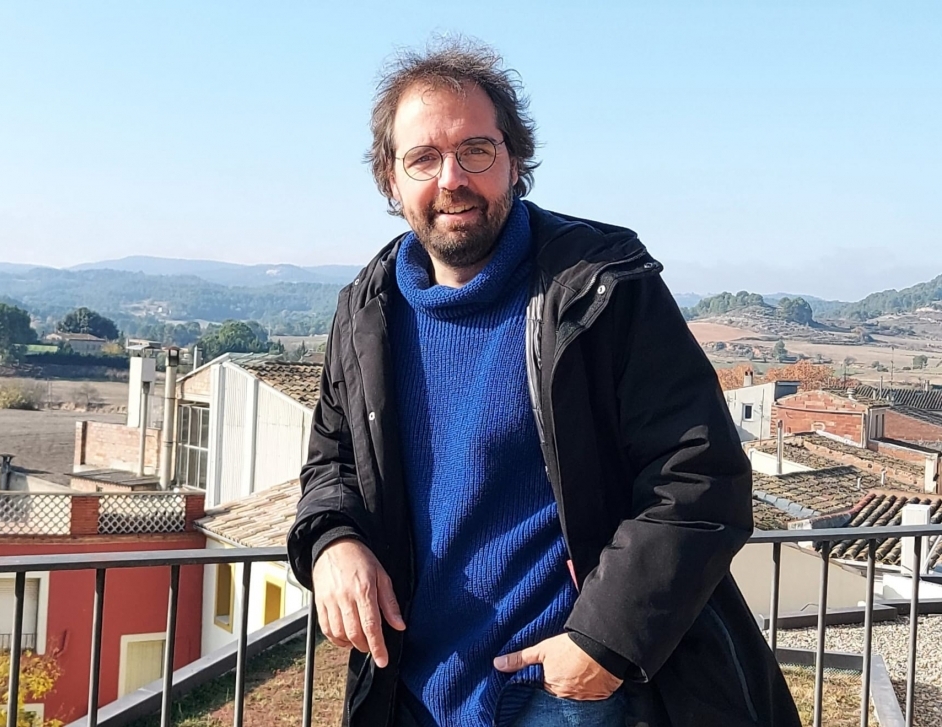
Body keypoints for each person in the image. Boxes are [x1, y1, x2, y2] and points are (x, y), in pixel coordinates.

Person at [287, 38, 799, 727]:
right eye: (423, 158)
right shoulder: (364, 314)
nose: (451, 179)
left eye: (476, 150)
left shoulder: (601, 286)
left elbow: (700, 473)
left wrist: (605, 639)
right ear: (391, 179)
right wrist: (331, 541)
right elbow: (333, 463)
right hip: (413, 695)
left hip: (569, 694)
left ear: (515, 158)